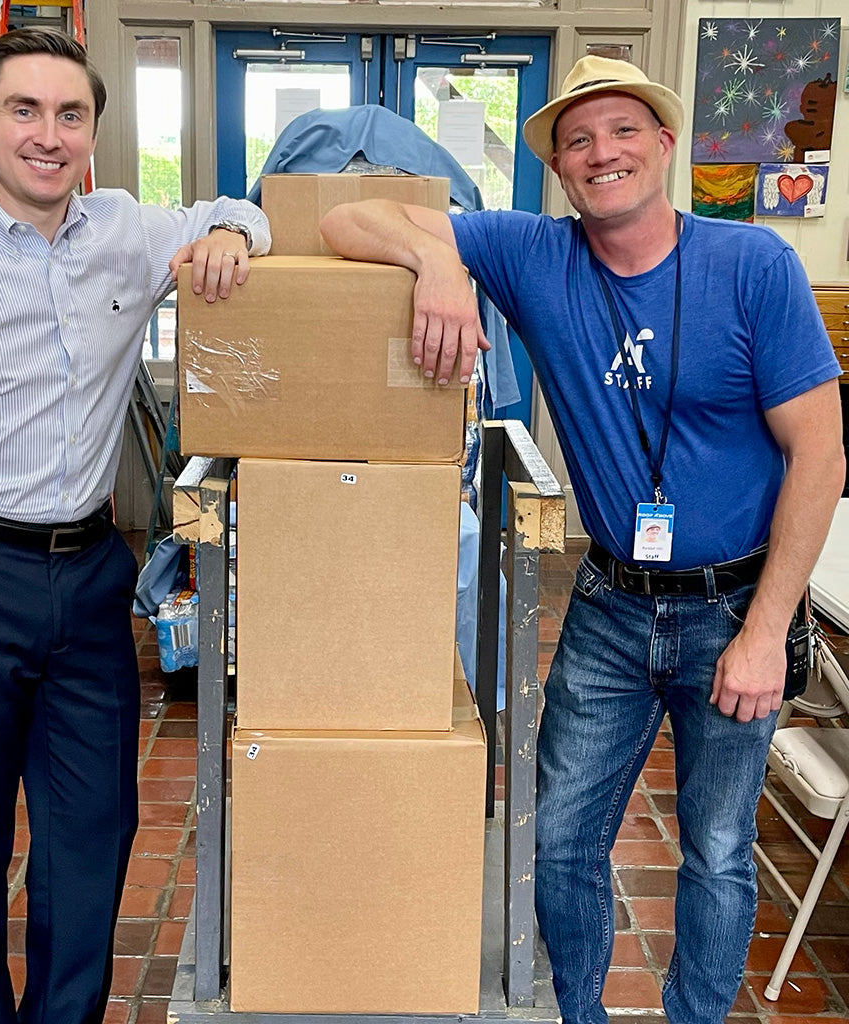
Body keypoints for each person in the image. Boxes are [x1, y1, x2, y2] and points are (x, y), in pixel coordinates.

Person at [319, 54, 844, 1024]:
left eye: (623, 130)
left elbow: (819, 454)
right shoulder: (531, 254)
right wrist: (439, 259)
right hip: (609, 605)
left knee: (718, 849)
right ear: (560, 167)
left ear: (666, 143)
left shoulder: (753, 267)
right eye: (578, 139)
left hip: (736, 604)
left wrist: (767, 630)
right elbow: (343, 217)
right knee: (558, 838)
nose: (602, 152)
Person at [0, 27, 268, 1024]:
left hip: (87, 576)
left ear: (93, 134)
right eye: (23, 110)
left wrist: (233, 233)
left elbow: (239, 206)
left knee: (92, 835)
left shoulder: (123, 229)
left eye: (70, 114)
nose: (47, 134)